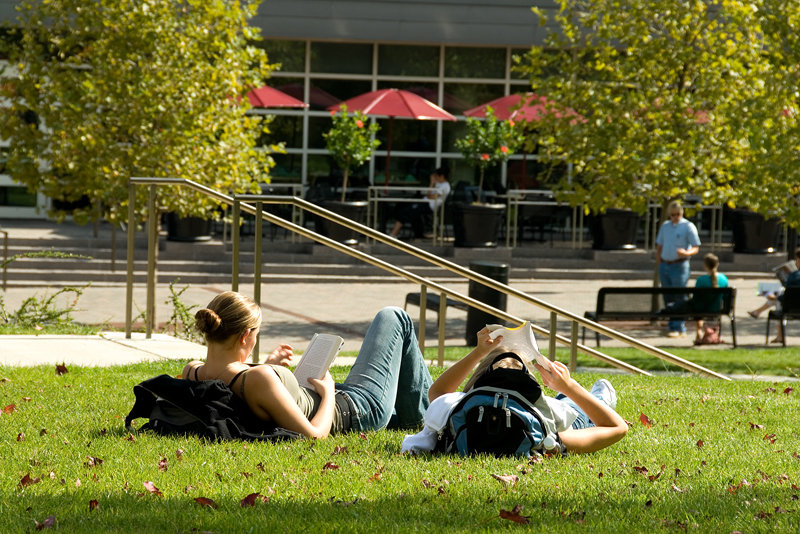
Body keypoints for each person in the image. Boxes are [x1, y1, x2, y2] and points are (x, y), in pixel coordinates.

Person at [182, 291, 432, 439]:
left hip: (338, 399)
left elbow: (233, 381)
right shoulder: (258, 380)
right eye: (257, 333)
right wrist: (329, 394)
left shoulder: (192, 371)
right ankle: (434, 413)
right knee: (393, 317)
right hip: (356, 410)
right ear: (245, 336)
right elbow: (313, 436)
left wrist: (267, 365)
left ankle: (421, 414)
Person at [424, 328, 627, 454]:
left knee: (566, 404)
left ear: (477, 383)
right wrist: (569, 386)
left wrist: (478, 353)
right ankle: (599, 398)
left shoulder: (458, 406)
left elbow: (437, 393)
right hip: (560, 412)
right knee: (571, 406)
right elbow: (616, 427)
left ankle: (588, 396)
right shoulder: (546, 428)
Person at [656, 201, 701, 338]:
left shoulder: (688, 226)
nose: (675, 217)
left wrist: (686, 253)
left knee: (680, 297)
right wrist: (660, 260)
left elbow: (695, 247)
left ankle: (679, 327)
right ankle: (671, 325)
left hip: (679, 265)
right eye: (673, 215)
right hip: (665, 265)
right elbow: (659, 244)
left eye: (678, 214)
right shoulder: (665, 226)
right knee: (668, 296)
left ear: (682, 213)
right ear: (669, 214)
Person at [748, 247, 800, 342]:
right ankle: (757, 312)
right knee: (777, 301)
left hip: (792, 307)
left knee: (778, 303)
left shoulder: (793, 276)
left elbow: (789, 295)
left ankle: (780, 336)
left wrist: (776, 297)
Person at [389, 167, 451, 239]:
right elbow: (428, 194)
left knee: (405, 212)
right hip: (424, 202)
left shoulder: (445, 186)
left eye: (436, 176)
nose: (435, 178)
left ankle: (393, 234)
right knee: (400, 206)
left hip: (427, 206)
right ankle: (397, 232)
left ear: (442, 176)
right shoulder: (438, 185)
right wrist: (431, 183)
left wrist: (429, 195)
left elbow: (431, 197)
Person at [692, 253, 728, 345]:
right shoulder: (724, 279)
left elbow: (695, 298)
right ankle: (715, 334)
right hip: (717, 309)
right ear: (717, 264)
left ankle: (698, 333)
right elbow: (726, 297)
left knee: (696, 307)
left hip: (701, 309)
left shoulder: (701, 280)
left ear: (705, 266)